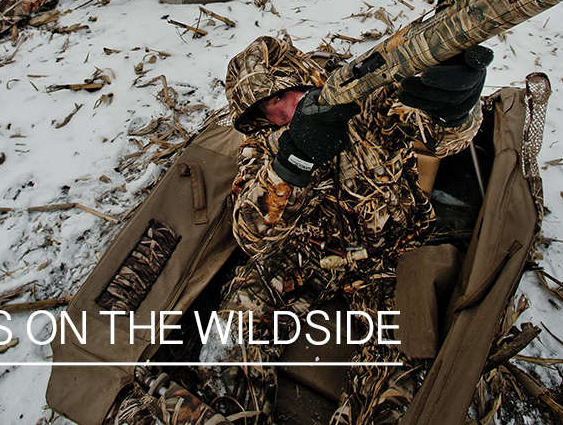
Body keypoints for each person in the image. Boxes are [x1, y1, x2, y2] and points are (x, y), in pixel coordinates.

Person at [204, 34, 493, 425]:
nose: (279, 115)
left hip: (389, 256)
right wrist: (293, 161)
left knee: (402, 366)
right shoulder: (263, 145)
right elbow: (251, 235)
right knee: (233, 325)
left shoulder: (367, 100)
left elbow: (440, 137)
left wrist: (455, 110)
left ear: (303, 79)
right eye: (264, 110)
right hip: (306, 255)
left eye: (278, 97)